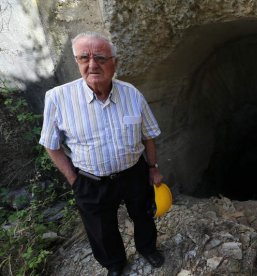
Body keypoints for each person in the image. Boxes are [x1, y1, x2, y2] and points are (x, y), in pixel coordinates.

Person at [39, 32, 164, 276]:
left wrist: (152, 167)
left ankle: (147, 248)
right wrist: (73, 179)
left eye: (100, 57)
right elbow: (51, 144)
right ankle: (115, 264)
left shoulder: (132, 94)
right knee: (100, 228)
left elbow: (148, 134)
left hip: (133, 173)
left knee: (144, 215)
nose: (92, 64)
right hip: (90, 179)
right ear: (77, 61)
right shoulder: (58, 98)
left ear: (114, 63)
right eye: (84, 57)